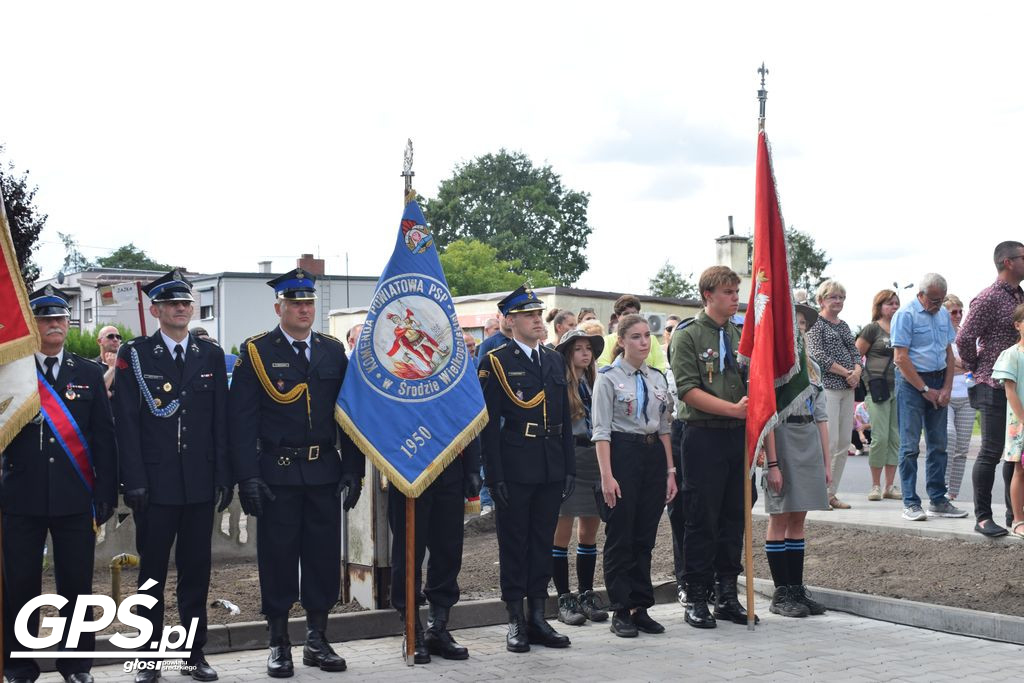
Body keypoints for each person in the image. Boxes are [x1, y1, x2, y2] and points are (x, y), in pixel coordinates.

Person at [228, 268, 365, 677]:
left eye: (309, 303)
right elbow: (242, 422)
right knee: (279, 559)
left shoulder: (330, 350)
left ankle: (318, 639)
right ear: (279, 308)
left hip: (324, 470)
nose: (304, 310)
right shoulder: (257, 352)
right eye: (295, 304)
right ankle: (278, 642)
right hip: (277, 474)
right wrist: (247, 477)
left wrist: (353, 468)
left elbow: (348, 414)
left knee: (323, 560)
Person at [110, 270, 232, 682]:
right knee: (152, 575)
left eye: (186, 304)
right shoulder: (137, 354)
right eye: (172, 304)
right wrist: (134, 480)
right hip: (156, 485)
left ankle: (194, 654)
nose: (181, 309)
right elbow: (125, 421)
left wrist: (223, 476)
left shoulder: (208, 354)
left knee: (196, 572)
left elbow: (220, 420)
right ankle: (149, 656)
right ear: (156, 309)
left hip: (199, 482)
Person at [3, 286, 117, 683]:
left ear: (68, 325)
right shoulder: (11, 373)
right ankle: (19, 664)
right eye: (45, 319)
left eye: (60, 319)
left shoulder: (87, 372)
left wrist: (105, 493)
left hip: (74, 498)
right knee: (20, 585)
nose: (53, 325)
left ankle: (76, 665)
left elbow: (104, 437)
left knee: (76, 585)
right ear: (32, 325)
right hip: (20, 497)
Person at [477, 284, 575, 653]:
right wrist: (494, 474)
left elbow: (565, 416)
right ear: (511, 320)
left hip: (551, 463)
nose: (538, 320)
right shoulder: (496, 360)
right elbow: (488, 424)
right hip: (515, 463)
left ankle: (538, 615)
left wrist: (567, 465)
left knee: (541, 543)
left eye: (539, 314)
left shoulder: (552, 359)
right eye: (530, 315)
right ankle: (515, 618)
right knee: (514, 543)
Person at [670, 266, 753, 629]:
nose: (735, 298)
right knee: (701, 517)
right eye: (728, 292)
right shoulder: (688, 335)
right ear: (708, 295)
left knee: (734, 517)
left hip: (737, 435)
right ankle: (698, 596)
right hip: (702, 434)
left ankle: (727, 595)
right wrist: (732, 409)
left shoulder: (740, 335)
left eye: (736, 291)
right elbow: (688, 389)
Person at [593, 315, 677, 637]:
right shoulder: (609, 378)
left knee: (645, 536)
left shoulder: (657, 378)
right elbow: (600, 431)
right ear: (622, 340)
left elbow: (665, 427)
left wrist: (669, 471)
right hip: (623, 455)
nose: (644, 342)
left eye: (647, 336)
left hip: (653, 455)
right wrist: (607, 476)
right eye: (637, 337)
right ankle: (620, 609)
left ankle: (640, 606)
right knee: (621, 537)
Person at [763, 303, 831, 618]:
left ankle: (796, 588)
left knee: (799, 520)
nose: (799, 328)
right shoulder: (775, 368)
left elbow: (822, 418)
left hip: (808, 441)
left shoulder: (812, 366)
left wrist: (827, 462)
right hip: (783, 439)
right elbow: (769, 418)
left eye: (802, 323)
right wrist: (772, 464)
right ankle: (780, 593)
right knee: (780, 517)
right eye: (794, 323)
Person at [388, 439, 482, 663]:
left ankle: (437, 627)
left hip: (449, 465)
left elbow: (467, 416)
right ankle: (412, 629)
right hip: (407, 466)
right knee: (409, 553)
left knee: (448, 550)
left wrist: (471, 467)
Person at [958, 241, 1024, 537]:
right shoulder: (988, 297)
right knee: (991, 451)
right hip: (992, 384)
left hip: (1017, 383)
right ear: (1008, 262)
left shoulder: (1018, 295)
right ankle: (983, 516)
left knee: (1014, 453)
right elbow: (964, 338)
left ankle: (1015, 516)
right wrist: (977, 367)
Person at [892, 273, 966, 522]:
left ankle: (938, 499)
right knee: (910, 446)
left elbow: (948, 354)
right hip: (912, 383)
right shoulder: (905, 315)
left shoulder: (943, 314)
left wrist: (945, 388)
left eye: (941, 299)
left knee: (939, 445)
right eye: (933, 300)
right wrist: (925, 389)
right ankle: (910, 503)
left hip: (938, 379)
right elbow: (900, 358)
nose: (937, 305)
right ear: (920, 295)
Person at [550, 329, 609, 627]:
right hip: (569, 458)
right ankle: (564, 597)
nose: (585, 354)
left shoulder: (596, 383)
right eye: (578, 349)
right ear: (567, 353)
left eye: (589, 349)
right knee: (561, 532)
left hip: (594, 459)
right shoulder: (559, 384)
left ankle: (586, 593)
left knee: (588, 531)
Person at [806, 280, 862, 510]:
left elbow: (856, 352)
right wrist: (846, 372)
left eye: (841, 297)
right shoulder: (816, 324)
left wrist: (856, 371)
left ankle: (831, 493)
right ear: (821, 300)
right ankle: (818, 492)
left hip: (848, 388)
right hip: (828, 387)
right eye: (833, 297)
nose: (838, 301)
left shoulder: (844, 325)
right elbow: (817, 354)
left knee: (843, 443)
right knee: (828, 443)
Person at [856, 290, 901, 502]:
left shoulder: (902, 327)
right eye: (890, 303)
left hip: (900, 388)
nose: (894, 307)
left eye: (896, 303)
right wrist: (866, 381)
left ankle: (889, 486)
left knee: (895, 438)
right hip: (878, 389)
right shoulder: (872, 329)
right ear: (879, 306)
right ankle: (875, 485)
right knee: (880, 437)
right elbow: (856, 356)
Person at [994, 303, 1024, 538]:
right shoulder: (1012, 354)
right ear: (1017, 325)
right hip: (1020, 422)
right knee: (1020, 470)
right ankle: (1018, 519)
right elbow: (1010, 391)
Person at [943, 294, 975, 501]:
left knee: (962, 447)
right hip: (946, 395)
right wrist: (960, 365)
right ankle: (941, 489)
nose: (958, 315)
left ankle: (953, 493)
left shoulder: (967, 336)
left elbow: (975, 363)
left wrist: (959, 364)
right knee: (949, 438)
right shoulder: (940, 335)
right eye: (953, 311)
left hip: (968, 396)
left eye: (960, 311)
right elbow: (944, 364)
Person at [597, 295, 667, 371]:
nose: (631, 317)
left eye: (634, 313)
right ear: (618, 316)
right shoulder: (607, 340)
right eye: (626, 314)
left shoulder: (651, 339)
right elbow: (604, 366)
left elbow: (660, 367)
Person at [94, 324, 121, 393]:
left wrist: (111, 394)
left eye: (118, 337)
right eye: (110, 336)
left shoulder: (127, 366)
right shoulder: (92, 366)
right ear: (99, 341)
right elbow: (97, 392)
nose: (115, 339)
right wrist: (112, 368)